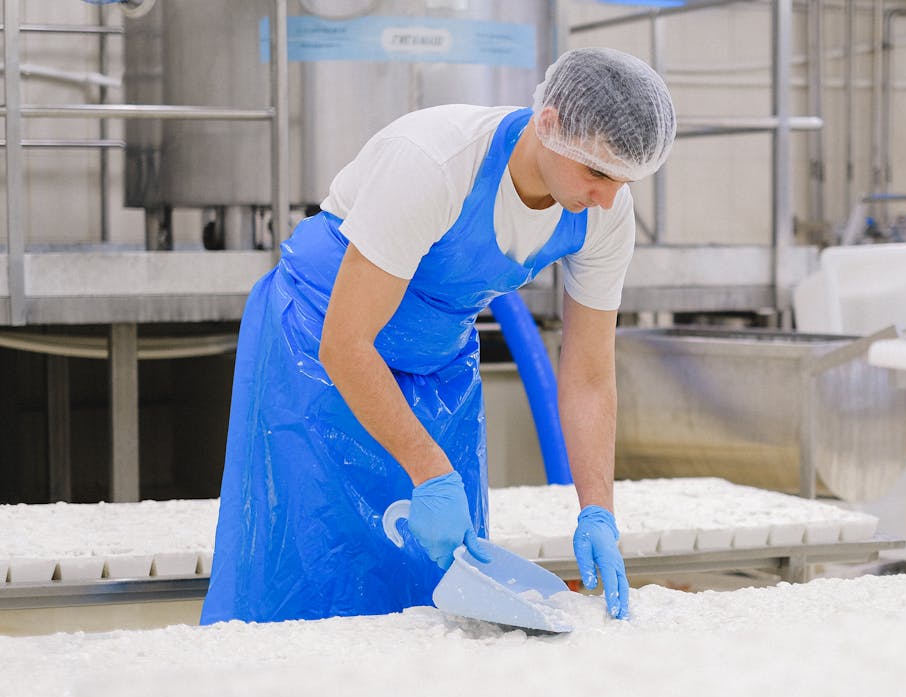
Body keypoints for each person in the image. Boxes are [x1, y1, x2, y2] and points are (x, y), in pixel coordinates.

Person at [200, 47, 676, 625]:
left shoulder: (604, 209)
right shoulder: (436, 162)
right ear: (549, 124)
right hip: (319, 350)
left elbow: (590, 375)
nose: (607, 197)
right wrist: (430, 470)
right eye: (598, 173)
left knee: (440, 589)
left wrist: (597, 510)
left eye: (624, 180)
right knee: (315, 568)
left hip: (436, 364)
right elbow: (346, 344)